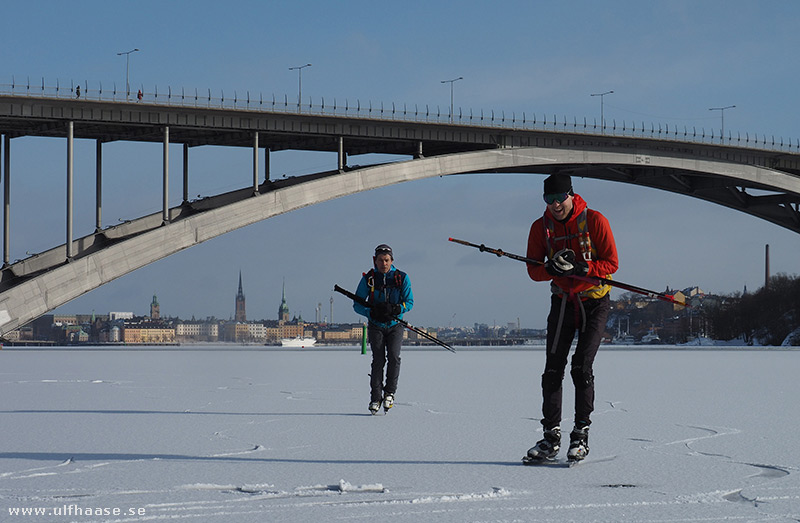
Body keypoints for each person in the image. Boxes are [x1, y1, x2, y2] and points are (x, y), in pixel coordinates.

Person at [524, 174, 618, 462]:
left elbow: (612, 262)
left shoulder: (595, 220)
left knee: (581, 367)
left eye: (559, 199)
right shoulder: (540, 228)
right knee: (552, 369)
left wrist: (582, 266)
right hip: (563, 302)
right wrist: (551, 269)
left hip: (594, 301)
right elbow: (533, 270)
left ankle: (580, 433)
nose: (554, 205)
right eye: (548, 200)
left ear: (571, 195)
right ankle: (550, 436)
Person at [353, 244, 414, 415]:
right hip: (376, 326)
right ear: (375, 261)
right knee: (378, 361)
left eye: (386, 260)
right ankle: (375, 398)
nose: (384, 264)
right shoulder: (369, 279)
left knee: (394, 357)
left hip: (395, 325)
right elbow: (357, 304)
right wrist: (370, 311)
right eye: (380, 260)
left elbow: (409, 302)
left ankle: (390, 393)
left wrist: (396, 309)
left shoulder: (402, 278)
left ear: (391, 261)